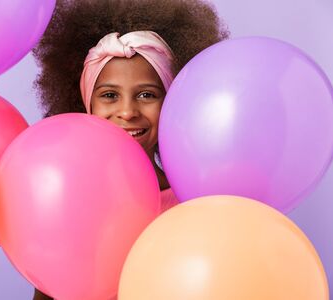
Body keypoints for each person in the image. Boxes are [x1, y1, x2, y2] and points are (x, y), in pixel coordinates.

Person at [32, 0, 229, 299]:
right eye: (110, 95)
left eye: (147, 94)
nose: (127, 111)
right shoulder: (66, 197)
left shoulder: (191, 204)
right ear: (86, 105)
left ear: (173, 102)